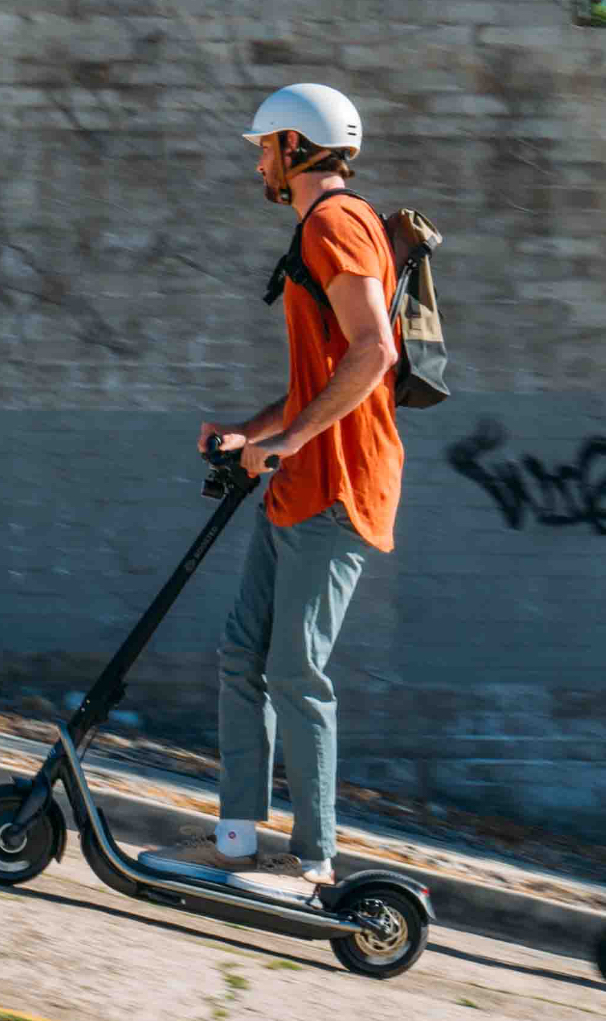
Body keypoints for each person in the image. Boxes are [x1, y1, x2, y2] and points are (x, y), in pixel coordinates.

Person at [141, 83, 402, 887]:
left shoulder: (337, 223)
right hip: (299, 480)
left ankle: (313, 860)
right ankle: (233, 842)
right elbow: (318, 375)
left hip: (339, 487)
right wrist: (253, 434)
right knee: (241, 655)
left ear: (296, 148)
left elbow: (374, 351)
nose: (258, 160)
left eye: (265, 146)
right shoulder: (313, 233)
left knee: (295, 672)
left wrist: (286, 440)